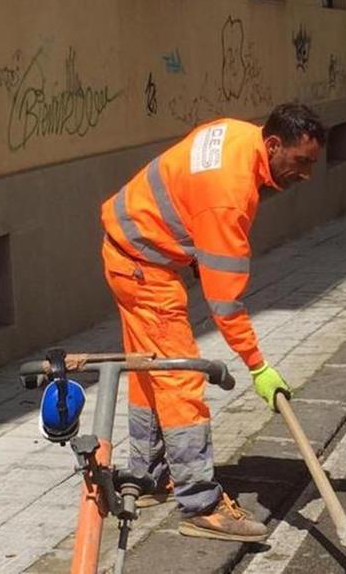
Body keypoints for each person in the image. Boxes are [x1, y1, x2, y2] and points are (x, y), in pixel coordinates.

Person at [100, 104, 325, 541]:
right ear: (274, 144)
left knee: (149, 371)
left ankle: (147, 478)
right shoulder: (230, 193)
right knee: (180, 377)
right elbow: (224, 303)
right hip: (145, 265)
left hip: (131, 252)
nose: (306, 174)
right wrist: (258, 366)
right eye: (301, 162)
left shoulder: (241, 134)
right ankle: (201, 504)